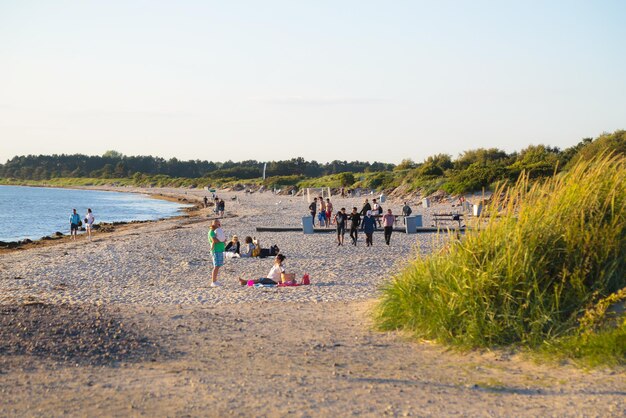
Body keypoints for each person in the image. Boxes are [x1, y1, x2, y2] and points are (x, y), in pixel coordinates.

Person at [208, 219, 226, 287]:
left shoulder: (218, 231)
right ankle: (213, 281)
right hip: (216, 250)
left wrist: (222, 239)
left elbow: (222, 238)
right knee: (216, 266)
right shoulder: (211, 232)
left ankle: (215, 280)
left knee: (218, 266)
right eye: (216, 224)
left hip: (220, 250)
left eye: (218, 224)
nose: (217, 225)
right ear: (212, 224)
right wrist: (221, 240)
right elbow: (214, 240)